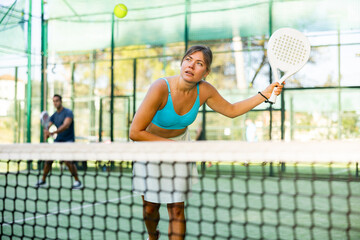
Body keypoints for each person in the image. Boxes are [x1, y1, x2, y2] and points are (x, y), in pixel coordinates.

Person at [129, 45, 284, 240]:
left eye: (199, 63)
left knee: (177, 209)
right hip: (148, 147)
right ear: (181, 62)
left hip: (180, 146)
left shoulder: (204, 91)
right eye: (188, 59)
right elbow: (135, 132)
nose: (191, 65)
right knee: (150, 209)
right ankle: (153, 236)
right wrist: (174, 148)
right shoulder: (160, 87)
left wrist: (265, 94)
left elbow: (232, 110)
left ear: (206, 72)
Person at [35, 94, 82, 190]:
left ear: (61, 101)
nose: (55, 103)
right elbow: (48, 125)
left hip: (68, 141)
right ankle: (43, 180)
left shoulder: (68, 112)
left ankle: (78, 181)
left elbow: (66, 125)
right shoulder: (54, 116)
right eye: (54, 101)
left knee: (67, 160)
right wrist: (46, 131)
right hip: (58, 141)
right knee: (48, 160)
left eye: (57, 100)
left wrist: (53, 132)